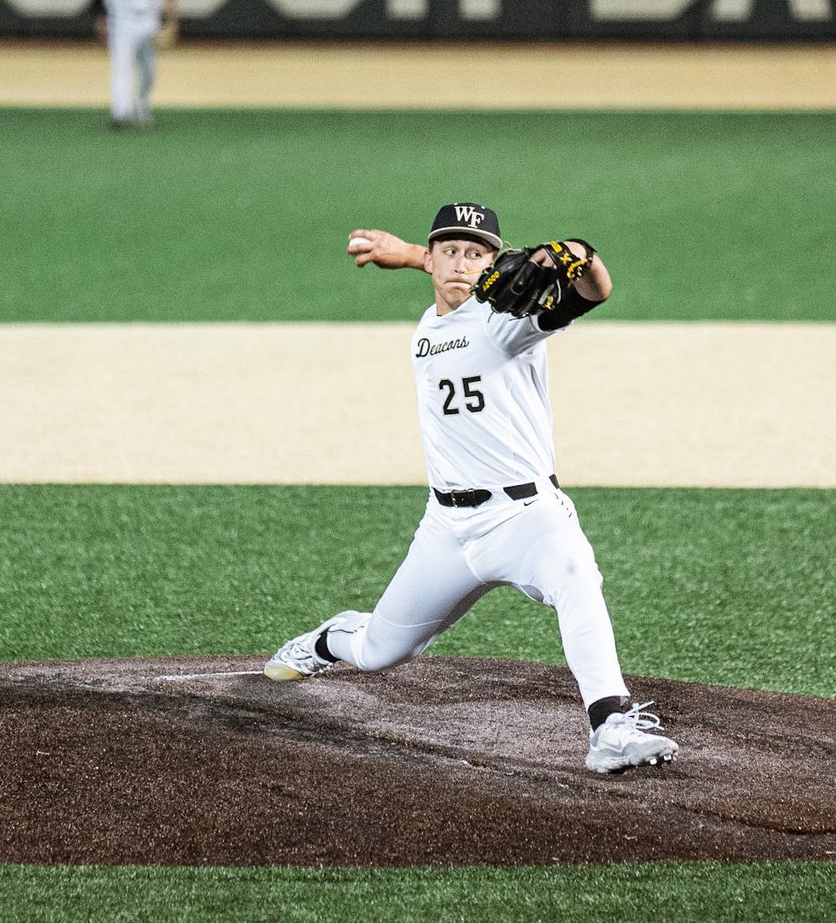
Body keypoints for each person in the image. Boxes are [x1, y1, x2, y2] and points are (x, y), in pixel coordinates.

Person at [265, 202, 679, 775]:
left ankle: (610, 726)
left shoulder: (509, 320)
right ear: (433, 257)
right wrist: (408, 254)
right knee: (379, 651)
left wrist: (580, 254)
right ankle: (327, 640)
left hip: (527, 517)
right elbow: (448, 272)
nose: (461, 263)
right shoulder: (428, 326)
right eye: (450, 251)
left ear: (494, 264)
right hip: (446, 529)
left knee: (576, 578)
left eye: (476, 254)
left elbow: (594, 292)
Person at [90, 0, 177, 129]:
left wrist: (170, 18)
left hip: (149, 19)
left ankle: (141, 104)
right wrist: (101, 21)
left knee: (149, 69)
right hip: (122, 21)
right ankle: (121, 112)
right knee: (121, 66)